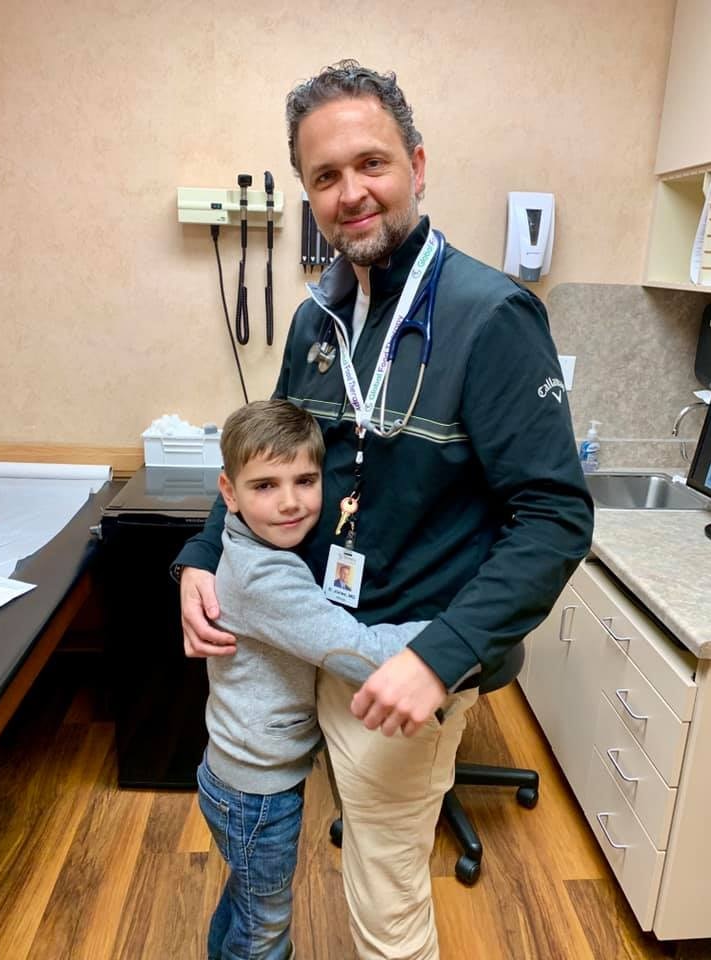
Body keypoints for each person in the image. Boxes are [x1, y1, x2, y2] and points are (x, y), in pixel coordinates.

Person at [176, 61, 594, 960]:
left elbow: (555, 517)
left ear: (416, 162)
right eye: (325, 176)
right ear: (306, 194)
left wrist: (436, 659)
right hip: (315, 635)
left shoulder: (491, 317)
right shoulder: (315, 322)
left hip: (404, 666)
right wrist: (201, 557)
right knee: (294, 865)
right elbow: (263, 459)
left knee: (384, 902)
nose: (350, 191)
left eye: (371, 163)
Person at [199, 398, 427, 960]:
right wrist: (456, 634)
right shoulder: (264, 579)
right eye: (265, 486)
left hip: (236, 775)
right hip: (257, 792)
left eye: (305, 480)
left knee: (245, 902)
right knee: (264, 930)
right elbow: (361, 653)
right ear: (229, 493)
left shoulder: (246, 540)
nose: (291, 503)